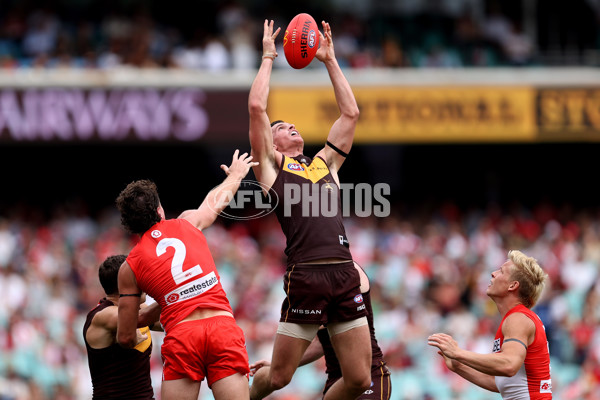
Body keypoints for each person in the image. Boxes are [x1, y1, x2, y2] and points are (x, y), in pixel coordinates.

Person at [248, 19, 372, 400]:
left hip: (343, 272)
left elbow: (350, 115)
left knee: (358, 380)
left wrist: (330, 60)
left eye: (292, 124)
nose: (292, 127)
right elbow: (256, 105)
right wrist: (268, 56)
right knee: (280, 377)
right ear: (271, 141)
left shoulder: (325, 163)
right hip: (307, 276)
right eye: (283, 126)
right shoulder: (271, 168)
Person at [115, 150, 258, 400]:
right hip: (222, 328)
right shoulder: (187, 222)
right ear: (159, 209)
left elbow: (126, 336)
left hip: (182, 337)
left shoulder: (129, 267)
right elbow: (215, 201)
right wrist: (236, 174)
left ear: (128, 224)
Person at [250, 266, 392, 399]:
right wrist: (278, 364)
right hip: (336, 381)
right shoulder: (310, 276)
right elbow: (321, 342)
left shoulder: (346, 271)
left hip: (369, 375)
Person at [428, 250, 553, 399]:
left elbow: (509, 365)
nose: (493, 273)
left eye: (501, 271)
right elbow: (502, 383)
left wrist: (458, 352)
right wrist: (458, 366)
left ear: (513, 285)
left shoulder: (518, 318)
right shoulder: (516, 319)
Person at [83, 254, 162, 400]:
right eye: (138, 277)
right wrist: (175, 292)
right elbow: (135, 318)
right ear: (125, 282)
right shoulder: (103, 316)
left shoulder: (139, 308)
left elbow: (168, 320)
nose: (143, 281)